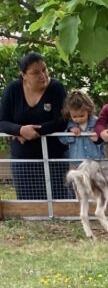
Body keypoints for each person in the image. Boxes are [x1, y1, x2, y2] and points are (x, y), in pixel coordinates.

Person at [0, 51, 68, 201]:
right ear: (24, 75)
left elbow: (62, 121)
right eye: (36, 72)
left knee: (59, 202)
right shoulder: (13, 90)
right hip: (23, 160)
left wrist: (33, 131)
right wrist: (19, 130)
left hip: (54, 158)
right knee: (28, 205)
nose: (43, 75)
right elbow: (2, 121)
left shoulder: (57, 88)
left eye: (44, 69)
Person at [63, 89, 104, 164]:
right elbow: (63, 140)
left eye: (82, 116)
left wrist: (98, 139)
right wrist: (69, 132)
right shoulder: (70, 124)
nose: (78, 119)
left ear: (88, 110)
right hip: (76, 162)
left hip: (94, 162)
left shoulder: (96, 122)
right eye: (74, 117)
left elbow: (105, 141)